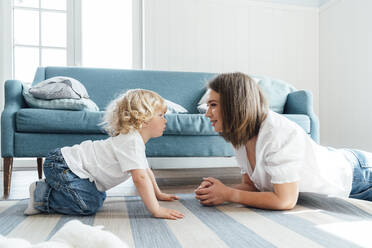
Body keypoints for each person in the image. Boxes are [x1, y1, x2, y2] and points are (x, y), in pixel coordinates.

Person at [195, 72, 372, 210]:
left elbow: (284, 201)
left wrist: (229, 194)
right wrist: (218, 192)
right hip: (338, 162)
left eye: (213, 105)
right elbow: (252, 187)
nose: (207, 113)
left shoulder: (277, 133)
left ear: (234, 104)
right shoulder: (240, 136)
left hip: (358, 175)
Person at [24, 89, 184, 220]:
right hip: (63, 165)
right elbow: (140, 178)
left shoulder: (135, 140)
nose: (165, 120)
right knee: (88, 205)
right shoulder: (131, 141)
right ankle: (42, 194)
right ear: (143, 119)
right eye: (161, 115)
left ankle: (55, 188)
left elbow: (146, 171)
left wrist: (158, 193)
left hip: (72, 169)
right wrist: (156, 209)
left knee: (98, 198)